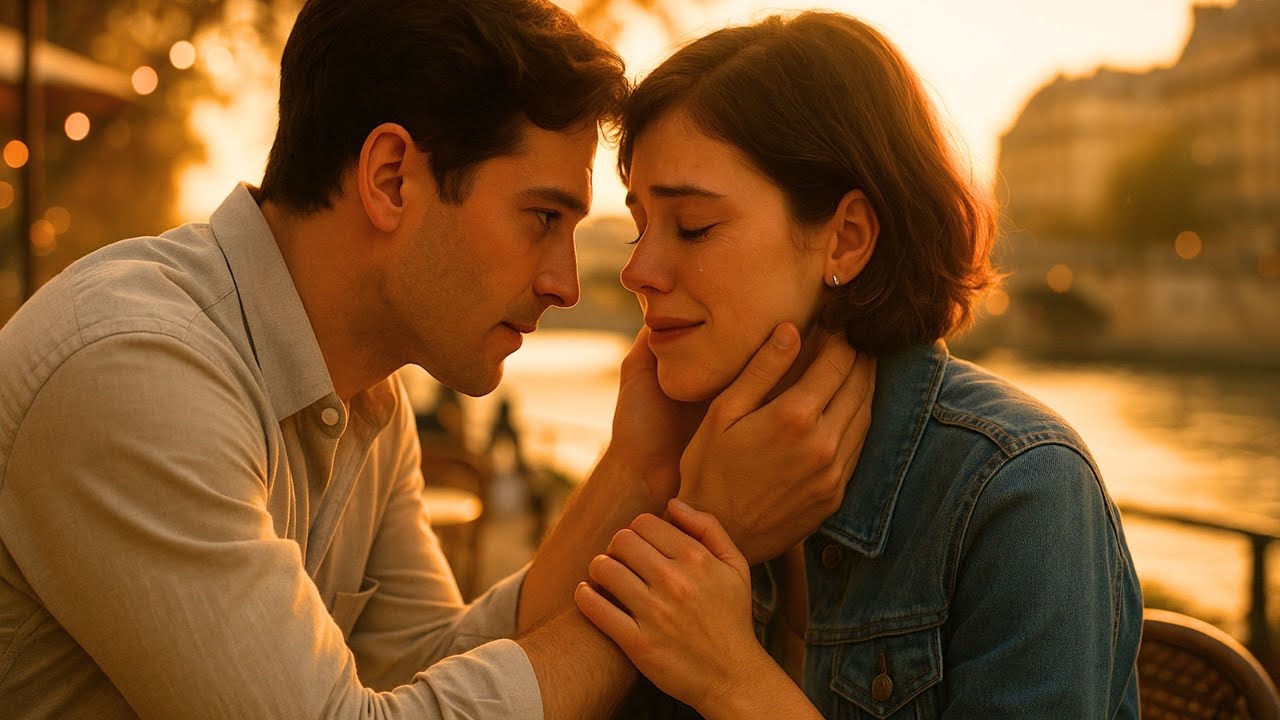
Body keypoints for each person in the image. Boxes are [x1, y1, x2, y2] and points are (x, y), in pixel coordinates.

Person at [0, 2, 877, 718]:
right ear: (390, 179)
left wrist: (638, 472)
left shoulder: (368, 405)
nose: (569, 283)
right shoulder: (136, 371)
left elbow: (432, 667)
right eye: (542, 217)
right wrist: (675, 591)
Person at [574, 11, 1142, 719]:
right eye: (637, 228)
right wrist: (636, 471)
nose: (637, 271)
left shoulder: (1020, 492)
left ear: (845, 240)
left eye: (692, 226)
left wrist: (731, 678)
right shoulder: (693, 454)